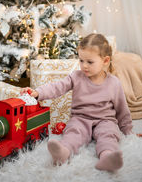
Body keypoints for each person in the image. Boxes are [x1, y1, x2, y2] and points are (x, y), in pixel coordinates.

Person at [21, 33, 133, 172]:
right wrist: (38, 92)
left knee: (108, 134)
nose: (84, 66)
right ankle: (63, 152)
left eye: (89, 62)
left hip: (105, 120)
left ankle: (107, 157)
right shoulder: (76, 77)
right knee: (73, 132)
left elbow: (122, 109)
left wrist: (128, 130)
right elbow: (57, 87)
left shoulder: (114, 83)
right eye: (81, 60)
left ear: (105, 61)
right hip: (81, 118)